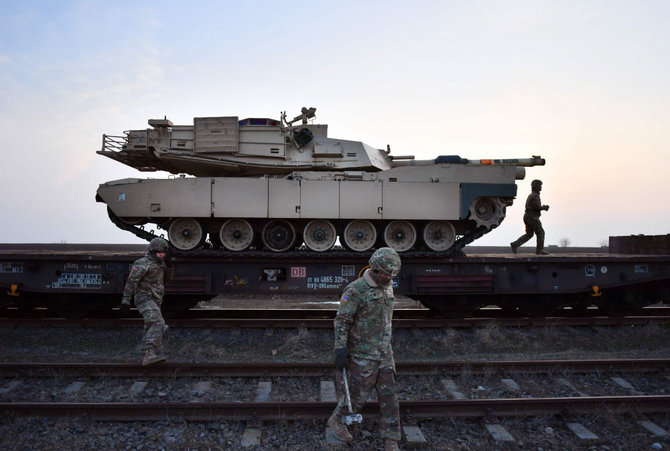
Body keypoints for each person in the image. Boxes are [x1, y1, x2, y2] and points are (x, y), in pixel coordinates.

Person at [328, 247, 402, 451]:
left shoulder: (387, 286)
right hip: (362, 354)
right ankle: (337, 421)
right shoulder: (355, 290)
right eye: (386, 274)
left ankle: (391, 439)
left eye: (393, 275)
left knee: (390, 398)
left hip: (385, 353)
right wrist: (340, 349)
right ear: (375, 269)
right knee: (355, 397)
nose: (390, 278)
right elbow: (342, 320)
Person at [120, 237, 173, 366]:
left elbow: (167, 280)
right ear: (153, 251)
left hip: (156, 299)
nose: (162, 255)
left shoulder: (161, 264)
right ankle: (148, 354)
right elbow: (131, 283)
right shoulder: (141, 263)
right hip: (144, 299)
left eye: (164, 253)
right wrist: (125, 301)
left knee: (150, 325)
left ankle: (147, 353)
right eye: (160, 253)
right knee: (158, 323)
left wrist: (170, 266)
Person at [510, 179, 550, 255]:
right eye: (540, 186)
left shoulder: (531, 195)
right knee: (540, 232)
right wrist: (544, 208)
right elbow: (536, 207)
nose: (541, 187)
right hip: (532, 217)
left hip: (527, 216)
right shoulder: (535, 196)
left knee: (529, 234)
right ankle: (539, 250)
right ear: (536, 187)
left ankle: (515, 244)